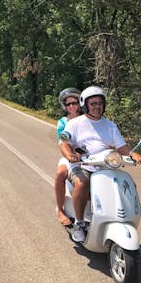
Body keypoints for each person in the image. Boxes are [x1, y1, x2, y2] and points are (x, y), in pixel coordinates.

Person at [60, 85, 141, 243]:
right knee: (82, 182)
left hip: (106, 166)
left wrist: (133, 154)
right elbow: (64, 143)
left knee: (128, 185)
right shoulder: (75, 123)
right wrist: (70, 155)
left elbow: (121, 147)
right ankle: (79, 224)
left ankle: (122, 218)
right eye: (93, 104)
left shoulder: (110, 125)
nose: (97, 107)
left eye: (100, 103)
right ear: (85, 105)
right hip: (83, 166)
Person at [54, 88, 82, 226]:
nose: (71, 106)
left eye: (74, 103)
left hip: (90, 159)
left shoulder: (87, 119)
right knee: (60, 174)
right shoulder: (63, 122)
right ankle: (60, 209)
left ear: (80, 103)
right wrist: (71, 155)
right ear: (64, 106)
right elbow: (63, 143)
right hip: (70, 157)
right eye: (68, 104)